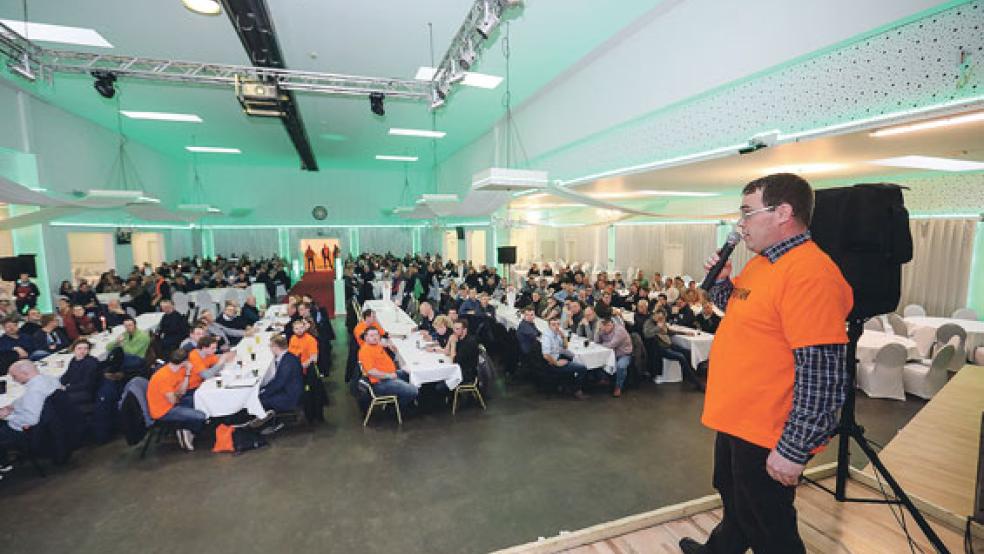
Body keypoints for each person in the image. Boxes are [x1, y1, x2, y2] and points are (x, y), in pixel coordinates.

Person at [679, 173, 852, 554]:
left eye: (747, 213)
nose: (740, 225)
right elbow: (744, 312)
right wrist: (723, 281)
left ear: (783, 213)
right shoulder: (762, 264)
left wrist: (793, 448)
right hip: (738, 416)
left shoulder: (811, 274)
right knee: (735, 498)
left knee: (768, 524)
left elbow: (822, 375)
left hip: (767, 427)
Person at [0, 361, 61, 476]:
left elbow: (31, 420)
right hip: (48, 425)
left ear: (25, 373)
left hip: (27, 431)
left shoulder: (34, 391)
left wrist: (7, 416)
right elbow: (27, 401)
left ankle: (3, 462)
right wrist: (12, 406)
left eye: (15, 376)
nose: (14, 380)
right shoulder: (48, 379)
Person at [146, 349, 208, 451]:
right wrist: (177, 395)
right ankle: (184, 428)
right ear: (184, 362)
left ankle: (186, 428)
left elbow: (182, 391)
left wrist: (188, 373)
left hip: (172, 402)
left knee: (195, 398)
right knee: (201, 416)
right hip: (164, 411)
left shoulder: (177, 370)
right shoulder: (162, 376)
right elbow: (173, 400)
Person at [358, 327, 418, 410]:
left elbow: (382, 342)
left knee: (412, 375)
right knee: (413, 391)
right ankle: (396, 409)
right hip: (380, 382)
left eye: (376, 335)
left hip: (390, 374)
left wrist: (389, 345)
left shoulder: (375, 344)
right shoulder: (365, 351)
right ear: (366, 337)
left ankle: (400, 400)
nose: (375, 337)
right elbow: (371, 371)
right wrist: (389, 375)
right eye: (372, 335)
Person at [540, 317, 588, 399]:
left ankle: (567, 385)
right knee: (582, 368)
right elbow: (546, 355)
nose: (556, 326)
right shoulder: (547, 336)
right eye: (553, 324)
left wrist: (563, 336)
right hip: (552, 362)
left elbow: (565, 346)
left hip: (558, 355)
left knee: (573, 357)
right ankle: (576, 390)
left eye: (558, 324)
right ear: (549, 326)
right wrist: (557, 363)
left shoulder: (557, 333)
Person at [259, 335, 303, 414]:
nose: (270, 348)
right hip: (289, 390)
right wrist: (265, 388)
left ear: (275, 347)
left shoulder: (287, 362)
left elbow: (279, 383)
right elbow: (277, 381)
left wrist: (263, 393)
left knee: (259, 401)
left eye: (270, 346)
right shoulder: (287, 357)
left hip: (290, 396)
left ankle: (265, 420)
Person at [596, 318, 633, 398]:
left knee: (621, 366)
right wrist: (598, 331)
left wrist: (602, 344)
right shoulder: (603, 330)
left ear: (610, 324)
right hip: (610, 354)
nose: (604, 330)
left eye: (604, 328)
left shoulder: (619, 331)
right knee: (596, 360)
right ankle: (604, 379)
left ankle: (618, 387)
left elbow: (612, 344)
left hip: (623, 354)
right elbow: (596, 342)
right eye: (602, 328)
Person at [60, 339, 100, 407]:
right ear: (73, 350)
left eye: (86, 349)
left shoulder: (91, 362)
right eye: (79, 348)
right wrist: (60, 382)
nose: (82, 351)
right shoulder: (74, 359)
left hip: (88, 391)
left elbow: (86, 384)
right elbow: (68, 374)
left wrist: (66, 388)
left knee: (60, 399)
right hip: (77, 387)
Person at [448, 319, 479, 384]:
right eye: (454, 328)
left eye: (457, 329)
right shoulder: (459, 339)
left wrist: (453, 344)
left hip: (466, 375)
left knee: (438, 386)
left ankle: (451, 394)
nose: (454, 331)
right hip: (459, 370)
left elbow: (453, 361)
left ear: (465, 330)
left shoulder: (469, 343)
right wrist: (449, 341)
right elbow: (447, 352)